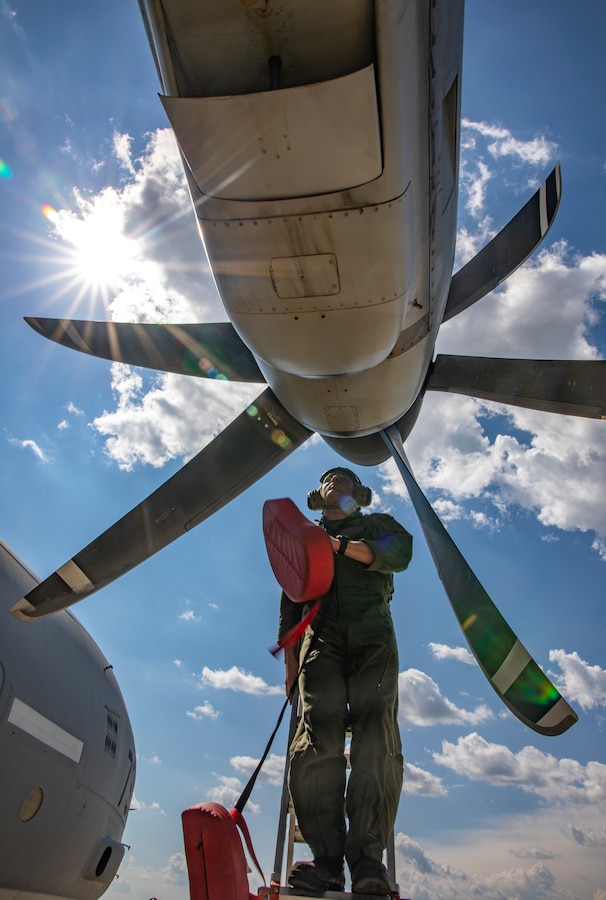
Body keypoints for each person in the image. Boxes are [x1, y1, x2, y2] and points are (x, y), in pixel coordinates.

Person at [278, 467, 413, 896]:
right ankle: (327, 862)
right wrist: (290, 659)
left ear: (360, 494)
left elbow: (401, 553)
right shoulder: (304, 537)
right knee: (318, 737)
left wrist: (336, 545)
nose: (338, 479)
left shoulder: (377, 525)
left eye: (347, 477)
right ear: (317, 494)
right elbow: (291, 596)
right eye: (330, 477)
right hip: (323, 642)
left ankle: (368, 861)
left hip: (373, 637)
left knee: (376, 738)